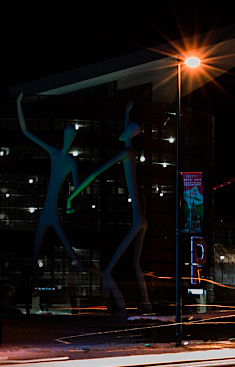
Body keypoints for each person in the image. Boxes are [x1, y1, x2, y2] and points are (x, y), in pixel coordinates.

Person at [69, 101, 149, 312]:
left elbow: (97, 173)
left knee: (109, 270)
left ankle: (123, 310)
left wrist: (74, 195)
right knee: (135, 265)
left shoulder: (126, 154)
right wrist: (125, 113)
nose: (124, 134)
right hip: (141, 219)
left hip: (137, 221)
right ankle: (147, 307)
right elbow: (124, 137)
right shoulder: (129, 149)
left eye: (128, 131)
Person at [16, 94, 83, 267]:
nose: (68, 139)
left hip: (51, 208)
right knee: (49, 240)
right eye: (66, 135)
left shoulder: (69, 161)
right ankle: (76, 263)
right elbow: (25, 131)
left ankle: (77, 264)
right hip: (48, 208)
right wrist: (18, 104)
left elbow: (78, 188)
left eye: (71, 136)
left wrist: (74, 204)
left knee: (55, 239)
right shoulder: (57, 155)